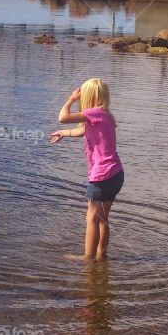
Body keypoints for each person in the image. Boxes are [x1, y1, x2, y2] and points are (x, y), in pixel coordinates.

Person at [50, 78, 123, 260]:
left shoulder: (93, 112)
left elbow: (63, 118)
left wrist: (71, 99)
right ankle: (101, 255)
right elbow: (80, 131)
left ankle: (87, 259)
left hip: (102, 175)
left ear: (87, 97)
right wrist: (63, 133)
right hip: (116, 174)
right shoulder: (104, 115)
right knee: (103, 219)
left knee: (91, 218)